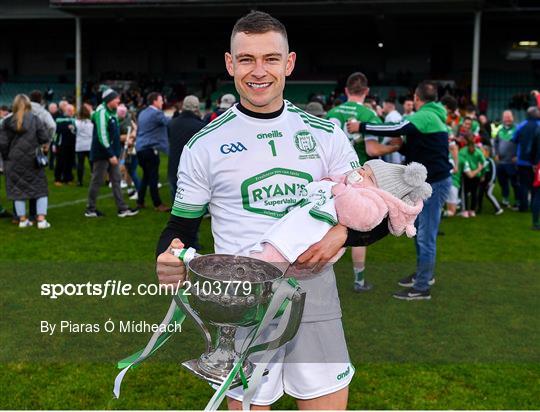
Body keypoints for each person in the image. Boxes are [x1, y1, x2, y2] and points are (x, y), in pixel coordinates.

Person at [155, 11, 389, 410]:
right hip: (242, 305)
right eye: (246, 59)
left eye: (270, 59)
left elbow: (375, 211)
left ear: (289, 63)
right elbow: (181, 226)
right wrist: (168, 255)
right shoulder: (204, 144)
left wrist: (343, 233)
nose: (258, 71)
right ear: (230, 65)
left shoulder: (324, 133)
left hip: (315, 297)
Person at [348, 80, 452, 300]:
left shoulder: (425, 115)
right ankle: (424, 274)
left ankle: (422, 286)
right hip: (431, 182)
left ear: (416, 97)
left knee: (425, 235)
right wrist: (401, 146)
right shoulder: (433, 116)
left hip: (434, 184)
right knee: (421, 232)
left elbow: (396, 128)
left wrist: (361, 127)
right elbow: (423, 146)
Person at [326, 72, 400, 293]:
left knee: (329, 227)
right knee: (359, 228)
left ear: (346, 90)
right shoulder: (368, 114)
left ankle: (321, 279)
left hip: (331, 177)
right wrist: (395, 148)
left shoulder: (331, 112)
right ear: (366, 91)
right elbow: (372, 150)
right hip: (358, 177)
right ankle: (358, 281)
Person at [85, 88, 138, 218]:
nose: (119, 101)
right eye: (116, 99)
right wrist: (110, 154)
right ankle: (90, 209)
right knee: (97, 180)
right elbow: (102, 136)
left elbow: (114, 134)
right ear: (109, 100)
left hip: (112, 153)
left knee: (116, 180)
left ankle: (122, 208)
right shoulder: (102, 112)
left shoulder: (111, 111)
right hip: (103, 154)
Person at [0, 94, 51, 229]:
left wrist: (7, 158)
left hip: (13, 160)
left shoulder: (6, 121)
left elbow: (2, 144)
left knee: (18, 190)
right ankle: (41, 220)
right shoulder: (35, 119)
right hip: (32, 160)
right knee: (40, 189)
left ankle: (22, 220)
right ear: (28, 104)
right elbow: (44, 137)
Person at [135, 92, 170, 212]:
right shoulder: (156, 113)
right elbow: (168, 122)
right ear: (155, 101)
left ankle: (140, 201)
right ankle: (157, 204)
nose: (162, 102)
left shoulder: (143, 112)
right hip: (150, 149)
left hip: (140, 148)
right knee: (153, 177)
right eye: (161, 100)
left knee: (146, 176)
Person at [166, 95, 205, 202]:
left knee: (176, 199)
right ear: (196, 107)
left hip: (174, 166)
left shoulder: (172, 123)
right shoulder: (201, 126)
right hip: (193, 169)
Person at [512, 106, 540, 212]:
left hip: (522, 161)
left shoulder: (521, 126)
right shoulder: (539, 125)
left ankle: (523, 207)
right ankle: (534, 206)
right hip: (537, 163)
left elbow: (514, 139)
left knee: (523, 185)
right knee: (536, 185)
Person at [494, 110, 518, 208]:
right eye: (505, 117)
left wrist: (518, 156)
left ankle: (518, 201)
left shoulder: (517, 129)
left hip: (512, 162)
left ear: (513, 117)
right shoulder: (500, 130)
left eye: (509, 117)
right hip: (501, 162)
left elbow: (522, 144)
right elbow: (495, 143)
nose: (507, 119)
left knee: (516, 183)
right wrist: (495, 154)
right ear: (503, 119)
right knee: (503, 183)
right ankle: (505, 200)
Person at [54, 103, 76, 185]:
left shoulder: (74, 120)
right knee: (60, 162)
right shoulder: (59, 119)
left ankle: (68, 178)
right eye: (69, 110)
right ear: (65, 111)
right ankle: (58, 179)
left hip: (72, 144)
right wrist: (67, 127)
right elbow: (57, 131)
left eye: (72, 110)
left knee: (70, 161)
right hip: (61, 144)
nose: (71, 112)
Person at [477, 145, 503, 215]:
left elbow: (494, 172)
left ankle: (498, 208)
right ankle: (479, 209)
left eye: (482, 151)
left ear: (487, 152)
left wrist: (491, 181)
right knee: (479, 194)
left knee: (489, 194)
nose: (480, 152)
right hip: (482, 182)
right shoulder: (481, 160)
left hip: (490, 182)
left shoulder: (490, 161)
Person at [75, 104, 94, 186]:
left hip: (80, 145)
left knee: (80, 163)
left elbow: (74, 132)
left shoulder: (76, 122)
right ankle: (94, 180)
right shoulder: (92, 123)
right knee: (92, 164)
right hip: (89, 145)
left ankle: (80, 181)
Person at [381, 99, 404, 164]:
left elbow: (389, 133)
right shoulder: (397, 115)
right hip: (398, 145)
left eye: (383, 106)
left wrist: (381, 144)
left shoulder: (391, 116)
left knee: (394, 166)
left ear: (388, 106)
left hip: (393, 146)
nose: (383, 108)